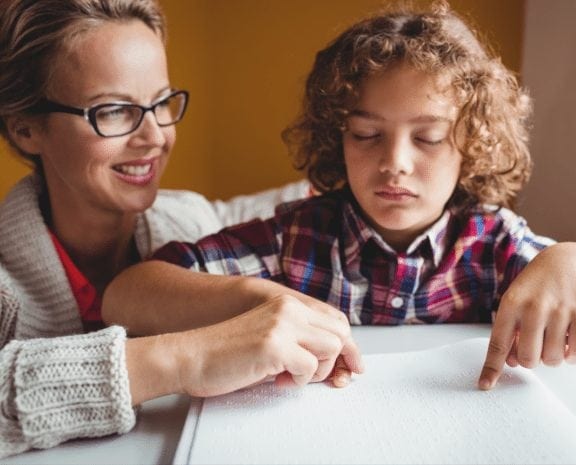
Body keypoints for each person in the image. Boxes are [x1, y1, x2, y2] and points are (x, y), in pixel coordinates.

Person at [104, 0, 576, 390]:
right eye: (367, 135)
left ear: (471, 142)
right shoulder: (297, 237)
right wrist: (261, 300)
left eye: (428, 137)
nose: (395, 163)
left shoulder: (494, 244)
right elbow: (127, 295)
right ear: (339, 136)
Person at [0, 0, 363, 458]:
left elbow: (300, 205)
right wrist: (188, 356)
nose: (154, 136)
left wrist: (485, 240)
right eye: (113, 111)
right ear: (25, 129)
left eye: (161, 103)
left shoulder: (189, 221)